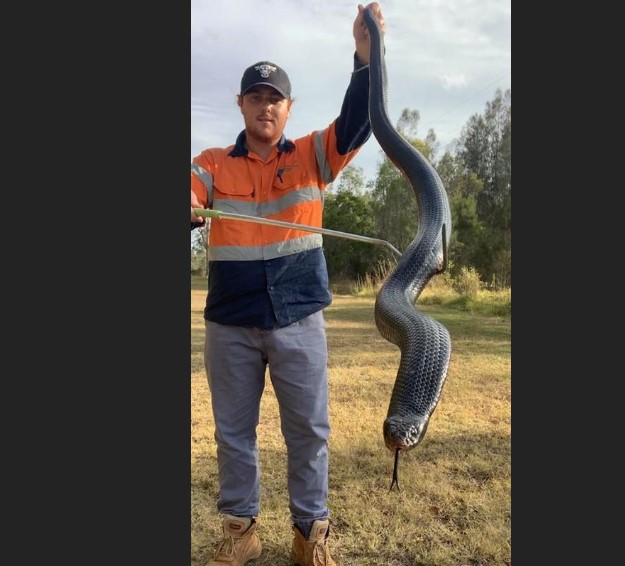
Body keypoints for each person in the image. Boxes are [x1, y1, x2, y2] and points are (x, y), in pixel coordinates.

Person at [191, 3, 386, 565]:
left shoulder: (311, 156)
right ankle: (240, 530)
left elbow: (357, 123)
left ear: (288, 107)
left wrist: (366, 60)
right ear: (242, 104)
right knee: (233, 434)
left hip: (299, 316)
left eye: (275, 98)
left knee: (308, 432)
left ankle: (310, 536)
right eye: (256, 97)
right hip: (231, 322)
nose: (266, 106)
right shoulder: (209, 162)